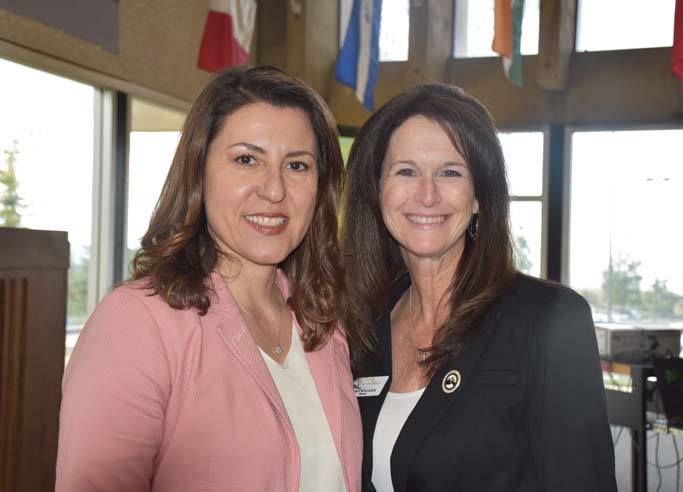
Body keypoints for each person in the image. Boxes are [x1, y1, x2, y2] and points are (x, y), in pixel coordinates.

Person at [56, 65, 361, 492]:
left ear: (320, 187)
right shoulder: (137, 324)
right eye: (246, 159)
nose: (273, 189)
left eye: (297, 165)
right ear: (199, 173)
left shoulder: (323, 325)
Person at [341, 83, 617, 492]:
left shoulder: (549, 320)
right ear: (377, 190)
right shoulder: (361, 329)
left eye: (450, 172)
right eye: (406, 171)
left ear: (478, 197)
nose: (428, 194)